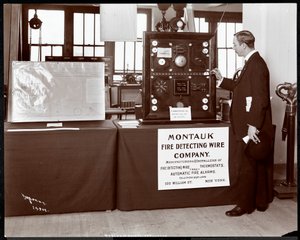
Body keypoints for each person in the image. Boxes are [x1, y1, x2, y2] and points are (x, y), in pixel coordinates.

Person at [211, 30, 274, 217]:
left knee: (245, 165)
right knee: (255, 164)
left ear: (244, 45)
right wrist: (221, 79)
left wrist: (253, 125)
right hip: (248, 124)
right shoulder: (251, 63)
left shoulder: (257, 65)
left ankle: (244, 205)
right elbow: (240, 87)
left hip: (250, 126)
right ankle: (260, 201)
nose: (233, 48)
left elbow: (260, 98)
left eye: (234, 45)